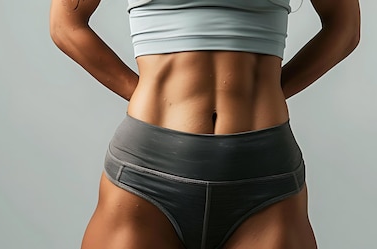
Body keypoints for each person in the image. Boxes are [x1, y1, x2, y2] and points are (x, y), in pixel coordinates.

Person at [49, 0, 360, 248]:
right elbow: (65, 24)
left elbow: (344, 28)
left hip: (264, 175)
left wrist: (271, 91)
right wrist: (141, 92)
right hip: (146, 177)